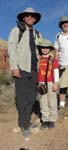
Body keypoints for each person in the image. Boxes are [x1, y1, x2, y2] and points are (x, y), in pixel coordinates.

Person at [7, 7, 42, 138]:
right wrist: (14, 68)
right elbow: (11, 49)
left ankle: (26, 121)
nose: (30, 18)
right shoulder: (16, 31)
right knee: (22, 98)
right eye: (27, 15)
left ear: (35, 19)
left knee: (32, 97)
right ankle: (24, 124)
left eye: (32, 16)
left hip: (34, 70)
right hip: (21, 68)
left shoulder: (37, 34)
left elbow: (42, 51)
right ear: (23, 17)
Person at [37, 39, 59, 129]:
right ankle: (45, 119)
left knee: (52, 101)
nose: (45, 49)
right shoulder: (38, 59)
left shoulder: (53, 59)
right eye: (43, 47)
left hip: (51, 83)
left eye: (47, 47)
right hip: (41, 83)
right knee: (43, 101)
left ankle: (52, 119)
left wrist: (56, 83)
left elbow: (56, 71)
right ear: (40, 48)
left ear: (50, 49)